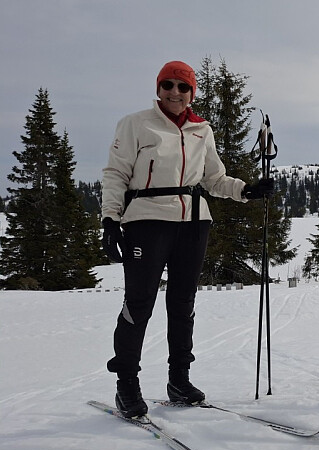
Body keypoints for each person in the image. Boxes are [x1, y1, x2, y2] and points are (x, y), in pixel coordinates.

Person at [100, 60, 274, 418]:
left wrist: (246, 190)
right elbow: (116, 173)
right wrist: (110, 219)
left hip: (193, 223)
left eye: (183, 87)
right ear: (158, 88)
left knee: (183, 304)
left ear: (192, 93)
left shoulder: (201, 130)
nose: (174, 92)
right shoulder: (135, 124)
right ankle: (126, 384)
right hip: (146, 221)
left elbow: (214, 179)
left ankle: (179, 379)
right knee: (139, 303)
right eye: (168, 85)